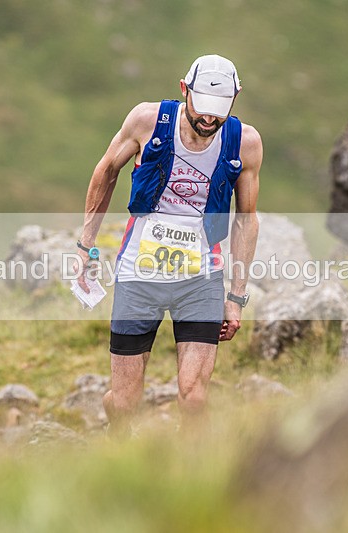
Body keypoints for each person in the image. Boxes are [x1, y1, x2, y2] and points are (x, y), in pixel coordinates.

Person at [75, 54, 262, 436]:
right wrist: (86, 246)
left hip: (201, 278)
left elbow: (246, 218)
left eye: (219, 111)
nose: (208, 120)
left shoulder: (245, 143)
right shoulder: (147, 121)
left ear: (236, 98)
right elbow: (107, 171)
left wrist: (236, 296)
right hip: (138, 275)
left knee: (194, 398)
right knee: (125, 404)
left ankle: (189, 475)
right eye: (202, 109)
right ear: (184, 90)